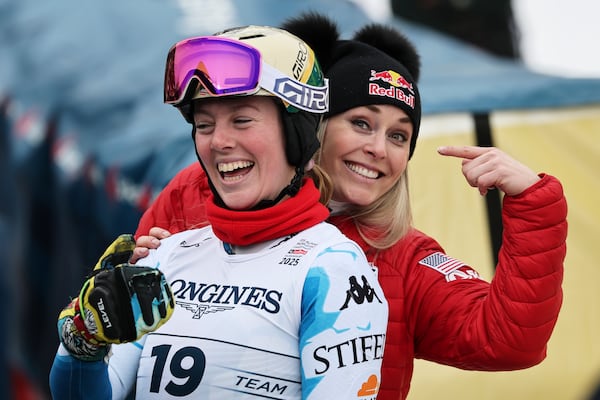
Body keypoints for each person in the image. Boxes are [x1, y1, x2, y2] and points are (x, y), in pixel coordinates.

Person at [131, 13, 568, 400]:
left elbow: (509, 341)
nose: (378, 148)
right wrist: (137, 266)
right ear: (310, 124)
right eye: (361, 123)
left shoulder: (405, 258)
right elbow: (122, 339)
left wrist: (534, 204)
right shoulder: (201, 188)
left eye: (398, 136)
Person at [49, 24, 389, 399]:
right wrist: (84, 337)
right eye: (204, 124)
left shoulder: (331, 268)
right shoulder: (167, 254)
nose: (219, 142)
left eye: (242, 120)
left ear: (299, 134)